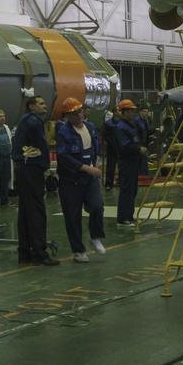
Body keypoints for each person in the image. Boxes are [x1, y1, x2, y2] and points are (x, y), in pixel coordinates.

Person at [55, 97, 106, 262]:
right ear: (67, 116)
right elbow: (64, 157)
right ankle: (78, 250)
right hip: (71, 180)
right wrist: (85, 168)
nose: (78, 116)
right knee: (72, 216)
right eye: (74, 114)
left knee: (97, 206)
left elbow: (95, 146)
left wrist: (97, 161)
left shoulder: (90, 127)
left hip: (89, 177)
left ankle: (95, 236)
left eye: (80, 112)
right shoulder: (64, 132)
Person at [11, 96, 59, 266]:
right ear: (31, 106)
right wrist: (46, 166)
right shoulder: (34, 122)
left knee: (25, 211)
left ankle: (25, 252)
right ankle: (40, 252)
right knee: (37, 211)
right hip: (32, 169)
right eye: (40, 103)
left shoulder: (24, 120)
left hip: (23, 169)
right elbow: (42, 145)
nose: (44, 106)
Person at [114, 99, 142, 226]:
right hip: (126, 162)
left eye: (133, 111)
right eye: (130, 111)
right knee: (126, 190)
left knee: (133, 190)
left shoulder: (131, 125)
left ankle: (129, 216)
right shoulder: (121, 127)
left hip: (133, 161)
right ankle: (123, 218)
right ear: (124, 112)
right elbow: (124, 146)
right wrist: (138, 148)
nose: (133, 113)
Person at [103, 109, 119, 190]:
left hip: (121, 149)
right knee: (110, 167)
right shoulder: (108, 124)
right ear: (114, 112)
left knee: (122, 167)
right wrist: (112, 143)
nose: (118, 112)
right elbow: (105, 135)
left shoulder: (122, 123)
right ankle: (108, 184)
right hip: (112, 149)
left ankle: (121, 182)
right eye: (117, 111)